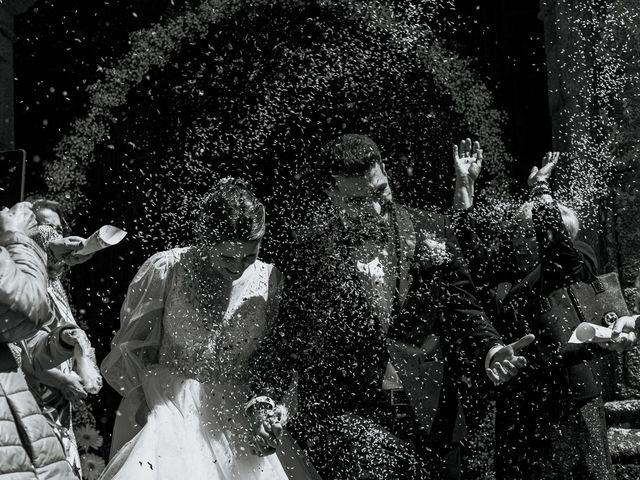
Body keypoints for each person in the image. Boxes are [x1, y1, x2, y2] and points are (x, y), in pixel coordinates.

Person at [249, 134, 532, 480]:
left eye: (379, 191)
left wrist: (491, 349)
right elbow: (291, 335)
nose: (374, 208)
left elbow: (464, 307)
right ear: (332, 193)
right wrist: (265, 399)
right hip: (349, 424)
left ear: (385, 171)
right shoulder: (310, 249)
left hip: (431, 413)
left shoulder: (432, 229)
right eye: (357, 200)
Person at [100, 178, 318, 480]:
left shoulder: (271, 281)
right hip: (167, 409)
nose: (238, 266)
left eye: (249, 255)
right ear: (205, 238)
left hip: (239, 417)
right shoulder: (167, 269)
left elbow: (274, 362)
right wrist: (144, 399)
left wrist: (267, 416)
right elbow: (130, 349)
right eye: (227, 256)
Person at [452, 141, 615, 480]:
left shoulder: (574, 261)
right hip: (520, 405)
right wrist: (465, 186)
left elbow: (554, 240)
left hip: (569, 405)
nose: (515, 235)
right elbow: (467, 252)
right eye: (518, 229)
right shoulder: (506, 276)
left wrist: (540, 189)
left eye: (526, 230)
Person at [0, 201, 92, 479]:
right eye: (46, 227)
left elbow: (26, 340)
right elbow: (28, 311)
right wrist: (20, 240)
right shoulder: (18, 246)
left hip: (17, 405)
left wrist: (63, 341)